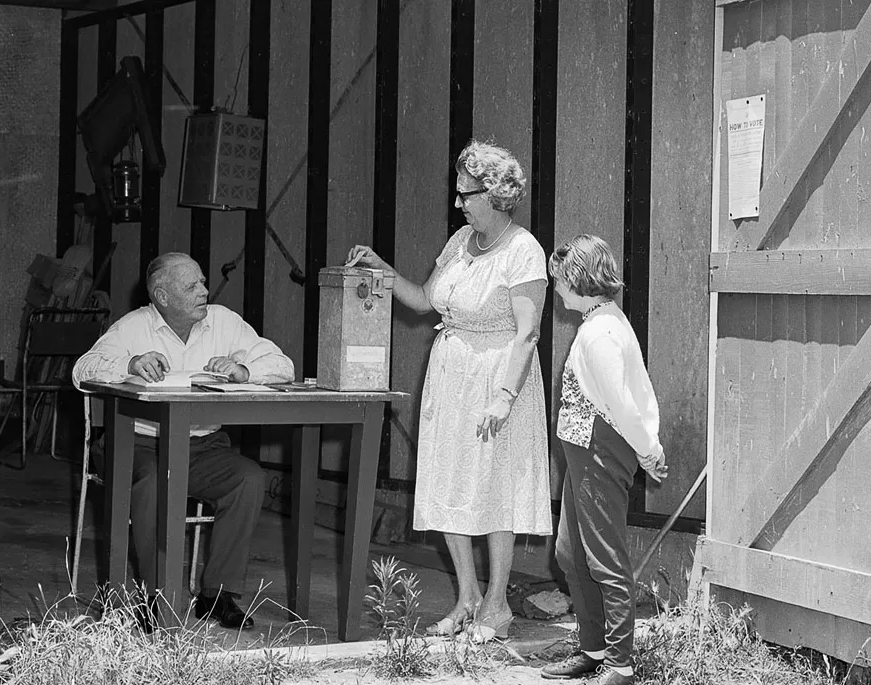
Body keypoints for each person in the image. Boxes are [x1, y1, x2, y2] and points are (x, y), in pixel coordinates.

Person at [344, 140, 550, 642]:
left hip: (499, 378)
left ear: (497, 193)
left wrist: (504, 394)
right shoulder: (461, 241)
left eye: (466, 193)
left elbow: (528, 333)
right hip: (450, 377)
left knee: (495, 486)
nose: (459, 203)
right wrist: (380, 268)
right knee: (449, 482)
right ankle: (468, 598)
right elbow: (422, 301)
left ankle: (498, 606)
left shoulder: (524, 250)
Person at [71, 252, 295, 630]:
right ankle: (154, 596)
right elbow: (82, 370)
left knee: (248, 479)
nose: (204, 291)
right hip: (138, 445)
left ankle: (217, 595)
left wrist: (244, 370)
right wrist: (129, 364)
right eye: (191, 286)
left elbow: (283, 366)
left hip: (202, 447)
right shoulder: (133, 327)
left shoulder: (224, 322)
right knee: (154, 481)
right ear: (162, 295)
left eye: (203, 282)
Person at [537, 235, 666, 685]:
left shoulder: (602, 332)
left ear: (577, 279)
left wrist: (649, 452)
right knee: (571, 555)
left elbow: (622, 403)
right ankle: (594, 650)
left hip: (600, 452)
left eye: (560, 280)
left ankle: (620, 664)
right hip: (582, 452)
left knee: (605, 558)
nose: (556, 288)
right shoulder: (596, 322)